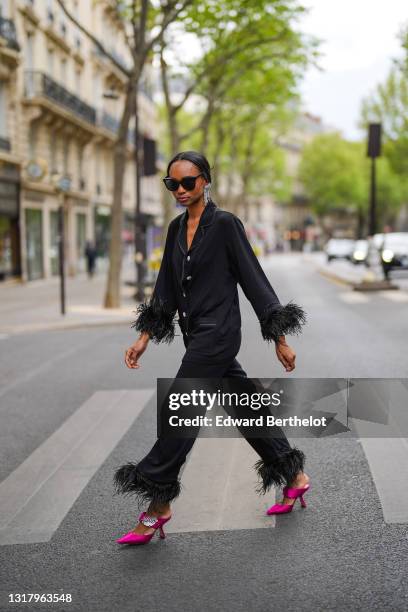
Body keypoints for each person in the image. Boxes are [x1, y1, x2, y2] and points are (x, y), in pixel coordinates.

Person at [114, 151, 310, 545]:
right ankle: (294, 475)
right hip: (195, 333)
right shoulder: (174, 228)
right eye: (173, 184)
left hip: (218, 334)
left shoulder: (225, 225)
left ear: (206, 181)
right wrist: (143, 338)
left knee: (180, 411)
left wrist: (281, 339)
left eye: (189, 182)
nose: (181, 190)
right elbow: (165, 289)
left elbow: (255, 281)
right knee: (244, 404)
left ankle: (158, 504)